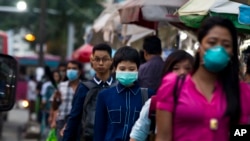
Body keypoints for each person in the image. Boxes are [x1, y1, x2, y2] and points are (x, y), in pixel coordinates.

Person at [155, 17, 250, 141]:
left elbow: (241, 135)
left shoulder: (241, 92)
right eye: (212, 42)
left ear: (232, 52)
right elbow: (163, 138)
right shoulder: (173, 86)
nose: (219, 49)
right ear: (199, 47)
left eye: (226, 45)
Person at [129, 50, 194, 141]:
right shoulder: (154, 103)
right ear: (167, 72)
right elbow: (137, 136)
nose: (182, 72)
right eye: (176, 68)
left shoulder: (204, 103)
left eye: (188, 68)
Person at [94, 46, 155, 141]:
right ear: (115, 69)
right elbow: (99, 131)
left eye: (131, 69)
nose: (127, 72)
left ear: (138, 69)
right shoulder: (104, 96)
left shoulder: (148, 95)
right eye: (122, 69)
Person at [62, 43, 115, 141]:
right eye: (97, 59)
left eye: (105, 59)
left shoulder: (117, 87)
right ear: (92, 61)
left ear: (111, 61)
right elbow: (74, 117)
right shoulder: (84, 87)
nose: (100, 63)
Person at [50, 60, 82, 141]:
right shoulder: (61, 86)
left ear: (79, 72)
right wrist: (55, 98)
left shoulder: (84, 87)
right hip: (62, 121)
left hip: (78, 123)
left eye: (74, 69)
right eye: (69, 68)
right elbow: (55, 106)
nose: (71, 71)